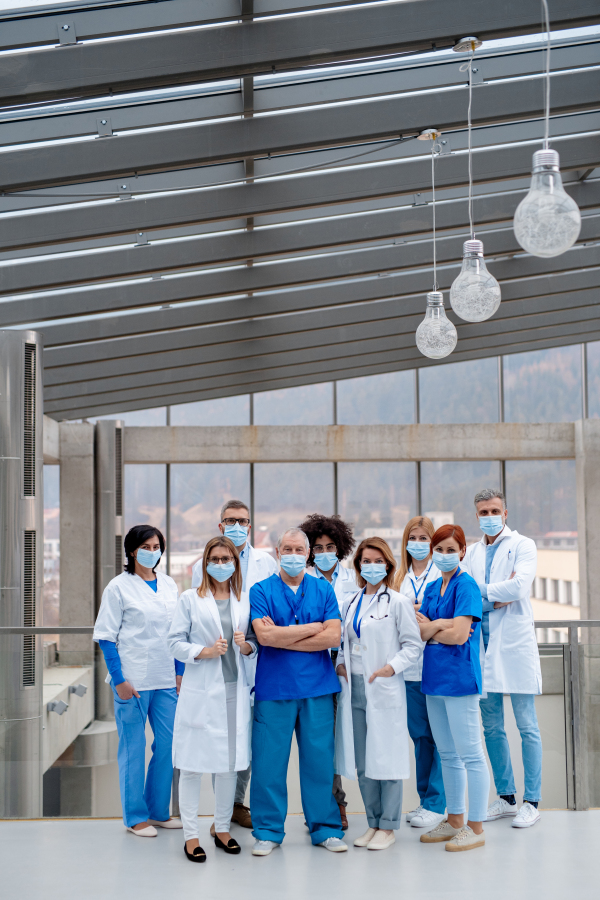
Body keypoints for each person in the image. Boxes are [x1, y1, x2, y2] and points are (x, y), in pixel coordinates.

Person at [249, 527, 347, 856]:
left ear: (308, 555)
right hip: (274, 689)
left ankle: (325, 828)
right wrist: (310, 629)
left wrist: (284, 634)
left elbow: (333, 638)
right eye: (286, 549)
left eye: (298, 549)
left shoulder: (323, 590)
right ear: (278, 553)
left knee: (319, 762)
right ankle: (268, 831)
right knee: (268, 764)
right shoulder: (261, 591)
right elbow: (265, 638)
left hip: (317, 689)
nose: (293, 554)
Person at [168, 535, 256, 862]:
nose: (221, 565)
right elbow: (174, 642)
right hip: (201, 693)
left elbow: (254, 647)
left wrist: (245, 645)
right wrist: (204, 651)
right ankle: (191, 835)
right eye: (215, 559)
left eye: (226, 559)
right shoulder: (190, 599)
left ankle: (221, 829)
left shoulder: (243, 600)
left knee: (228, 765)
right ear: (205, 563)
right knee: (192, 766)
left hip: (235, 692)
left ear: (236, 562)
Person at [191, 499, 277, 833]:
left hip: (256, 660)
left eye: (243, 521)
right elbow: (199, 611)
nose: (237, 526)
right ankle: (221, 814)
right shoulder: (210, 561)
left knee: (251, 743)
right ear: (220, 525)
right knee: (222, 741)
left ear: (251, 526)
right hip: (218, 663)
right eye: (230, 520)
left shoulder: (266, 563)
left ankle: (238, 805)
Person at [93, 525, 183, 837]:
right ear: (132, 550)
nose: (152, 550)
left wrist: (180, 672)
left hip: (166, 679)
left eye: (157, 545)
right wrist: (118, 680)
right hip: (132, 681)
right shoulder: (118, 587)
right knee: (133, 747)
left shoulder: (170, 585)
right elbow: (105, 637)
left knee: (169, 745)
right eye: (145, 545)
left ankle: (158, 811)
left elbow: (179, 632)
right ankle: (135, 817)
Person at [335, 537, 422, 851]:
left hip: (383, 686)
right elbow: (346, 641)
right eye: (365, 560)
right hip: (354, 687)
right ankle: (373, 823)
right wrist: (342, 664)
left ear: (387, 564)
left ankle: (388, 826)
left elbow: (413, 646)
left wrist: (390, 668)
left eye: (377, 560)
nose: (371, 566)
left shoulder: (397, 602)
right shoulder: (351, 601)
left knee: (386, 757)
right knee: (363, 761)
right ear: (358, 565)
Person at [462, 488, 542, 829]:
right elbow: (464, 595)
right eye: (483, 512)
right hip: (482, 648)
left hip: (514, 646)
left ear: (505, 513)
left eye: (494, 510)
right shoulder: (472, 553)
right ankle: (507, 798)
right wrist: (494, 598)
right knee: (491, 727)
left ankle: (532, 801)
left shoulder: (523, 545)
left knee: (527, 726)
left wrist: (483, 592)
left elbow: (519, 587)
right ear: (476, 515)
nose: (489, 516)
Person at [416, 524, 489, 852]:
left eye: (450, 549)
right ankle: (455, 818)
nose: (444, 555)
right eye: (439, 550)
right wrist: (441, 625)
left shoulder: (467, 586)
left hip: (460, 679)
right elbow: (418, 631)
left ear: (462, 551)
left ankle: (475, 826)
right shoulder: (433, 588)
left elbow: (461, 635)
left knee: (471, 754)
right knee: (447, 754)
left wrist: (434, 627)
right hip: (434, 680)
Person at [300, 513, 357, 829]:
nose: (324, 552)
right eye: (318, 547)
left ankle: (342, 805)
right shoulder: (303, 582)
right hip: (316, 665)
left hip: (348, 667)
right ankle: (331, 805)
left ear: (341, 548)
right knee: (320, 744)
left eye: (330, 546)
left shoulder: (354, 579)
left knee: (342, 741)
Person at [394, 517, 445, 829]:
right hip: (410, 670)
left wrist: (420, 615)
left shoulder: (442, 574)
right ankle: (426, 799)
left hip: (436, 665)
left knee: (440, 738)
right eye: (413, 537)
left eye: (424, 538)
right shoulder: (399, 576)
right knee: (420, 737)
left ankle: (439, 803)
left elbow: (445, 616)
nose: (418, 543)